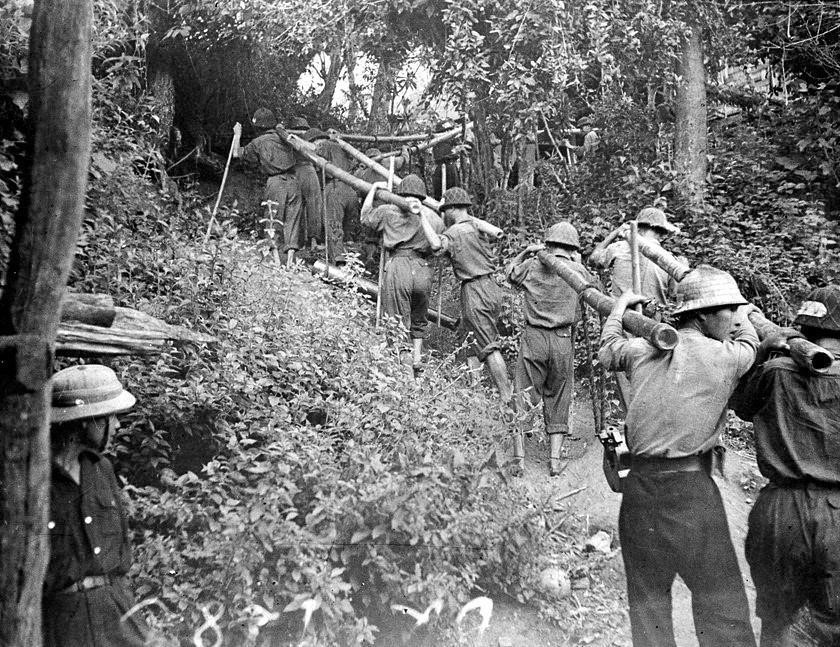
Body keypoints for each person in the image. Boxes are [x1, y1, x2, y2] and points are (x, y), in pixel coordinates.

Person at [598, 265, 758, 647]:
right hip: (690, 494)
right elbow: (751, 339)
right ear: (703, 314)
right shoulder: (728, 356)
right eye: (728, 310)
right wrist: (750, 314)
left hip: (638, 492)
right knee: (723, 612)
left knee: (648, 610)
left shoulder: (642, 348)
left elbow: (607, 350)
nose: (733, 317)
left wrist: (620, 307)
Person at [731, 285, 840, 647]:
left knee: (777, 622)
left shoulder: (775, 370)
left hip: (780, 511)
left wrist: (763, 352)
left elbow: (741, 405)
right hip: (838, 513)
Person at [44, 365, 148, 647]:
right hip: (61, 625)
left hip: (116, 615)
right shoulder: (36, 481)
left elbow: (122, 552)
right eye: (108, 417)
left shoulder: (101, 469)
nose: (117, 425)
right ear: (84, 422)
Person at [506, 222, 594, 475]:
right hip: (562, 339)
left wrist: (526, 252)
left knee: (522, 392)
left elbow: (510, 273)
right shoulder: (577, 271)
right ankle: (554, 462)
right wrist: (579, 263)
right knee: (559, 394)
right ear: (573, 248)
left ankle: (518, 459)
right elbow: (594, 288)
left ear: (548, 244)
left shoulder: (533, 265)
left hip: (534, 336)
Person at [417, 186, 512, 401]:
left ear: (451, 209)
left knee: (488, 344)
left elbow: (435, 245)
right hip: (489, 287)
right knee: (469, 337)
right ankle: (475, 391)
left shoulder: (455, 232)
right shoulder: (476, 227)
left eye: (445, 210)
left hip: (475, 290)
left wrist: (422, 215)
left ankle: (508, 399)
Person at [590, 206, 680, 408]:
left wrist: (614, 233)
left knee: (628, 386)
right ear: (661, 233)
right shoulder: (669, 260)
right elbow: (677, 293)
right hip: (653, 329)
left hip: (620, 323)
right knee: (648, 384)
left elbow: (594, 258)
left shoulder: (618, 248)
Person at [360, 174, 443, 375]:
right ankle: (416, 362)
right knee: (418, 317)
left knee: (396, 319)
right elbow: (440, 244)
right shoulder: (432, 217)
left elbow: (365, 217)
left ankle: (403, 371)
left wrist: (373, 189)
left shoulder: (388, 212)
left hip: (399, 267)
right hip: (423, 269)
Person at [234, 107, 301, 266]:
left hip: (275, 182)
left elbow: (236, 153)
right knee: (293, 219)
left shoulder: (258, 142)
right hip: (294, 180)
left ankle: (276, 261)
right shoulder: (285, 137)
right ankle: (290, 263)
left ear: (258, 127)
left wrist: (237, 134)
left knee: (272, 219)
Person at [292, 119, 323, 249]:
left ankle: (299, 241)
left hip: (294, 172)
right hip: (307, 171)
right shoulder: (308, 139)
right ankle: (313, 241)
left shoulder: (290, 138)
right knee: (314, 204)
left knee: (297, 206)